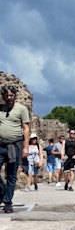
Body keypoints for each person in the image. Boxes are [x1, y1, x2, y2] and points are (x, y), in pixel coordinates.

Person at [0, 84, 30, 213]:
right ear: (3, 97)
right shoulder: (0, 109)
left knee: (11, 176)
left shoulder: (22, 109)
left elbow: (26, 128)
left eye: (11, 95)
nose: (9, 97)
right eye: (7, 95)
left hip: (15, 145)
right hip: (1, 145)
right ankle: (2, 193)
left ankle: (7, 202)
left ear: (15, 96)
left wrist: (26, 147)